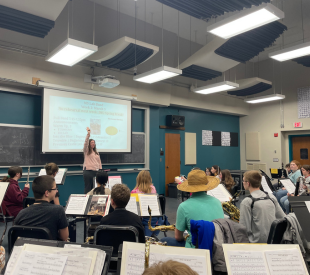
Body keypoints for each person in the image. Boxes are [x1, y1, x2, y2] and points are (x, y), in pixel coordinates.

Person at [161, 170, 224, 247]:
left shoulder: (183, 206)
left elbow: (178, 237)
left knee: (164, 240)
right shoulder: (217, 202)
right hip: (216, 247)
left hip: (196, 249)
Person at [14, 175, 69, 241]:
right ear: (47, 193)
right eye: (55, 189)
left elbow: (15, 236)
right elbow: (64, 237)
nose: (56, 191)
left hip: (27, 248)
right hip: (49, 249)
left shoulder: (21, 213)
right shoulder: (58, 210)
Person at [239, 171, 285, 243]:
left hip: (256, 243)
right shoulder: (271, 197)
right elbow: (282, 218)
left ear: (248, 183)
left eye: (243, 181)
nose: (243, 182)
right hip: (274, 240)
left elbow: (243, 228)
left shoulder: (246, 201)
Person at [83, 127, 102, 194]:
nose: (93, 143)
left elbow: (99, 162)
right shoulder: (87, 151)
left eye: (94, 142)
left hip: (96, 172)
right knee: (88, 188)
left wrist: (100, 170)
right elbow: (85, 144)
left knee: (96, 188)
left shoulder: (96, 152)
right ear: (89, 144)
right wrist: (88, 134)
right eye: (91, 142)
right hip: (88, 171)